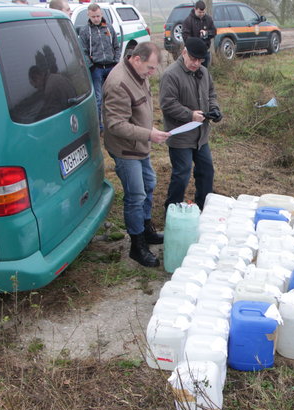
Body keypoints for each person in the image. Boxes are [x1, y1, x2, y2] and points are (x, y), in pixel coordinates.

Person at [102, 42, 170, 267]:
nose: (152, 73)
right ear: (136, 59)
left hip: (140, 145)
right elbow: (115, 125)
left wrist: (148, 131)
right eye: (150, 68)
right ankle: (137, 245)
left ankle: (147, 229)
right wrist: (148, 134)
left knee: (149, 183)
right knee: (135, 196)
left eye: (154, 69)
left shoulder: (140, 73)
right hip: (126, 149)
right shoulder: (118, 83)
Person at [160, 37, 222, 211]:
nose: (196, 63)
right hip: (180, 136)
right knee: (182, 174)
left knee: (207, 171)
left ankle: (203, 209)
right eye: (193, 59)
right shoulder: (171, 75)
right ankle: (172, 210)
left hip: (201, 137)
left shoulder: (204, 72)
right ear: (184, 52)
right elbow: (167, 104)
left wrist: (215, 110)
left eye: (200, 60)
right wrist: (190, 115)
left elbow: (211, 95)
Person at [79, 3, 120, 131]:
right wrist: (91, 66)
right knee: (98, 99)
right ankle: (99, 127)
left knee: (114, 96)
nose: (96, 19)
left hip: (111, 67)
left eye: (98, 16)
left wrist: (116, 62)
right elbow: (83, 51)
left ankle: (116, 123)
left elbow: (116, 46)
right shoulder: (85, 31)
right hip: (96, 69)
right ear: (88, 15)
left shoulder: (109, 28)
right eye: (93, 16)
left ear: (101, 14)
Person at [181, 0, 216, 68]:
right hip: (192, 53)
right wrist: (196, 42)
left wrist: (207, 33)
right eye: (199, 12)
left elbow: (214, 32)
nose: (201, 14)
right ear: (195, 9)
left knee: (204, 72)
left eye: (203, 12)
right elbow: (185, 37)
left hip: (205, 52)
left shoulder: (208, 19)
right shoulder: (188, 21)